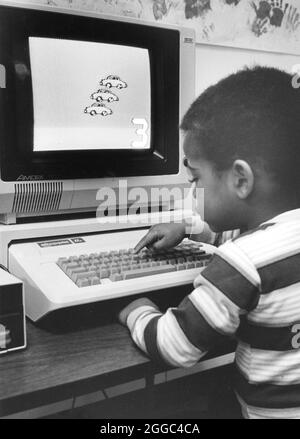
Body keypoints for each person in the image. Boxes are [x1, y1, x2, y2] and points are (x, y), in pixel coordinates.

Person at [118, 66, 300, 419]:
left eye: (195, 179)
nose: (192, 192)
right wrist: (189, 226)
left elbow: (176, 347)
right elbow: (248, 232)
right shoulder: (271, 242)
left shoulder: (243, 262)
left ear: (241, 179)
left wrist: (137, 311)